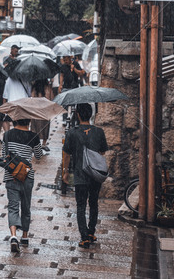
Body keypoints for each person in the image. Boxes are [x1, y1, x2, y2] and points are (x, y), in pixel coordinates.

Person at [62, 102, 108, 249]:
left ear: (78, 114)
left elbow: (66, 154)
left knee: (81, 205)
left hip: (80, 175)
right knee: (93, 204)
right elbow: (102, 152)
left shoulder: (72, 132)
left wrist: (65, 170)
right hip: (95, 175)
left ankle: (84, 237)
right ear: (91, 114)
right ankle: (91, 232)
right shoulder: (99, 132)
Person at [2, 118, 43, 252]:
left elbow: (4, 155)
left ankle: (13, 236)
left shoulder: (7, 135)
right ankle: (24, 236)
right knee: (26, 207)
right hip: (27, 176)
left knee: (13, 207)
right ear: (29, 121)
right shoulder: (34, 136)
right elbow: (38, 156)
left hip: (11, 176)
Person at [30, 78, 51, 152]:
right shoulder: (46, 86)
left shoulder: (34, 87)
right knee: (45, 126)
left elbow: (32, 97)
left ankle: (35, 145)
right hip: (44, 109)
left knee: (34, 127)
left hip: (35, 109)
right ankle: (44, 144)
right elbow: (48, 97)